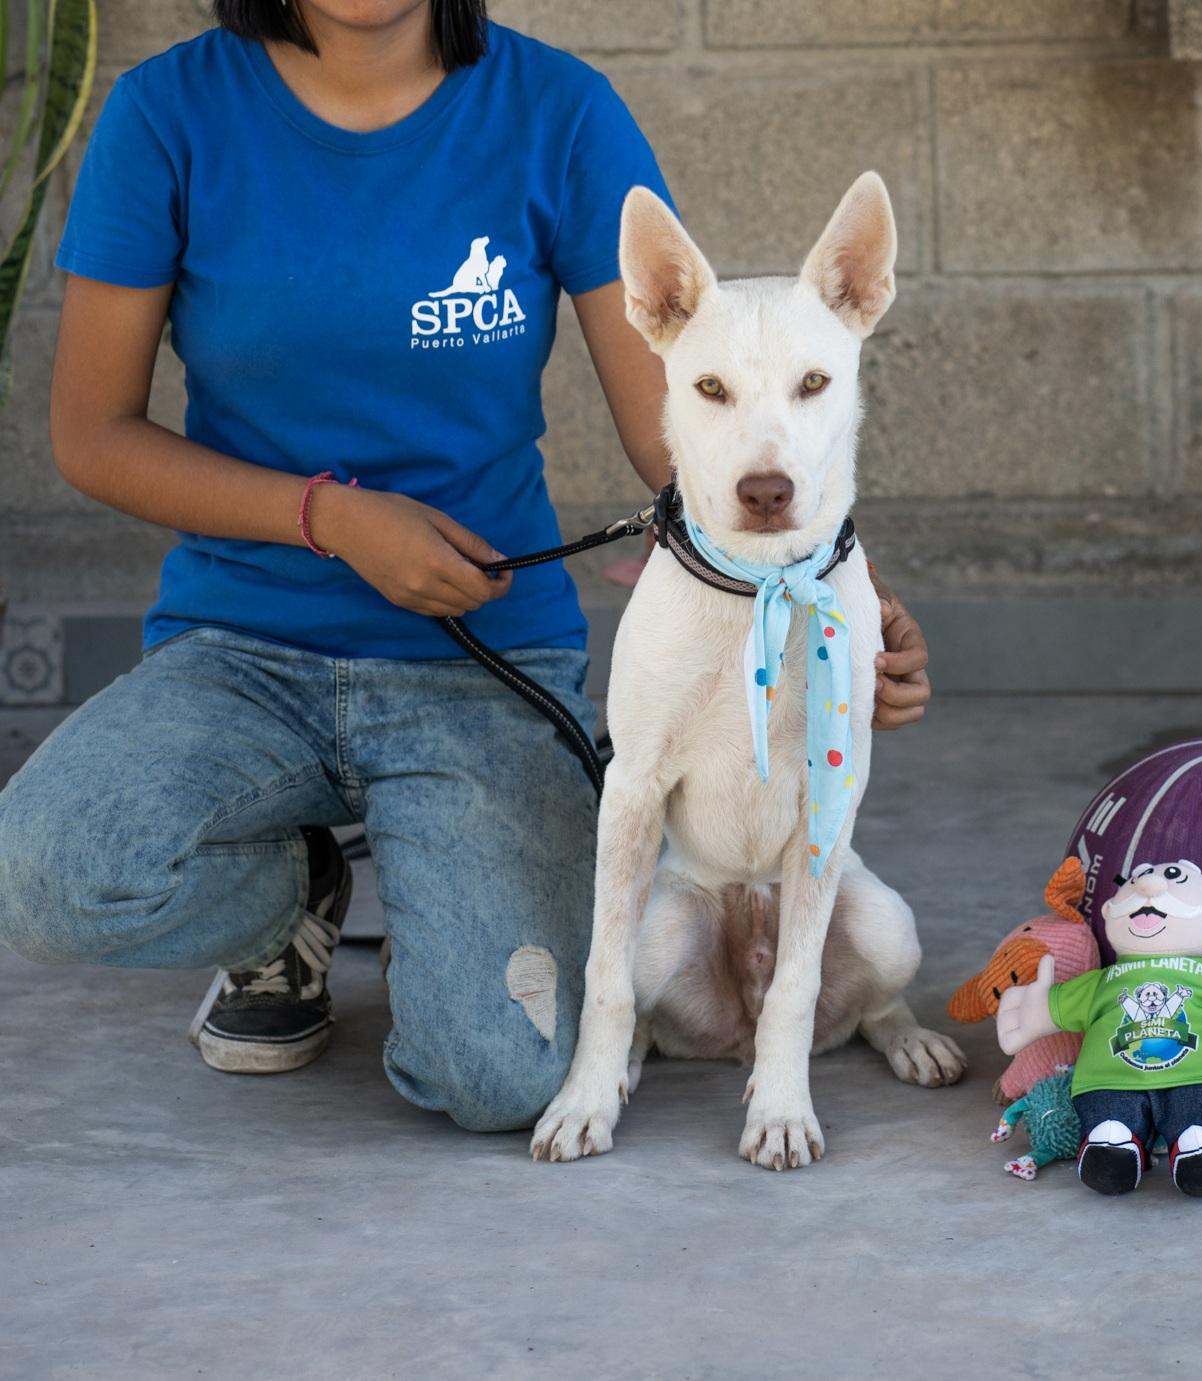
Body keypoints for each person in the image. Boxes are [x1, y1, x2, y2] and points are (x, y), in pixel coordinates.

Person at [0, 0, 932, 1132]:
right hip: (242, 646)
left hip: (483, 654)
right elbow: (91, 436)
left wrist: (838, 605)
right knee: (44, 872)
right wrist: (332, 519)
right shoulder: (166, 115)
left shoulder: (558, 113)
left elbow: (690, 426)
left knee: (497, 1075)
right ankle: (289, 900)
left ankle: (446, 870)